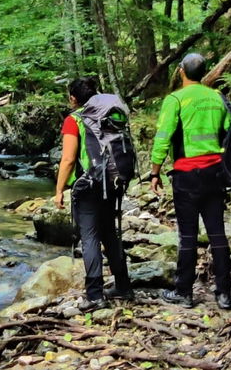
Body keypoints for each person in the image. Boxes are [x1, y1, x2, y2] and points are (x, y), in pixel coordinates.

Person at [148, 53, 231, 310]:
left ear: (180, 71)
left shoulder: (175, 99)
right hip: (216, 174)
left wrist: (154, 172)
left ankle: (184, 292)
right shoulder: (217, 97)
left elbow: (163, 138)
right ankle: (224, 294)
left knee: (188, 236)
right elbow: (229, 133)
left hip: (186, 176)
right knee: (217, 233)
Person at [55, 77, 133, 311]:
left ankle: (95, 295)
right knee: (110, 233)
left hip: (88, 185)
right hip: (113, 181)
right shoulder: (109, 116)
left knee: (89, 237)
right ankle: (123, 286)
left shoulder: (74, 120)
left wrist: (59, 190)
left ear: (73, 98)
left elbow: (68, 159)